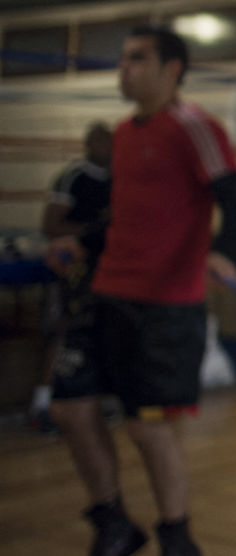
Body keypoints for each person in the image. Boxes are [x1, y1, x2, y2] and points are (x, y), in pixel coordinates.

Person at [47, 25, 236, 556]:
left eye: (137, 58)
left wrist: (224, 252)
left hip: (165, 309)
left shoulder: (195, 128)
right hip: (106, 293)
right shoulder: (123, 134)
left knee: (146, 430)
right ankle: (112, 522)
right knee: (70, 409)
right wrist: (82, 241)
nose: (124, 68)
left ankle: (177, 537)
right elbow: (130, 217)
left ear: (172, 69)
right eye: (122, 58)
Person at [33, 122, 114, 434]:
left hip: (107, 268)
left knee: (102, 330)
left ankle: (93, 400)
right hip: (75, 267)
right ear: (89, 144)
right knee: (63, 330)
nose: (109, 148)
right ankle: (42, 403)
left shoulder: (119, 178)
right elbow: (50, 226)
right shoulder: (73, 177)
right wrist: (92, 232)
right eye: (102, 142)